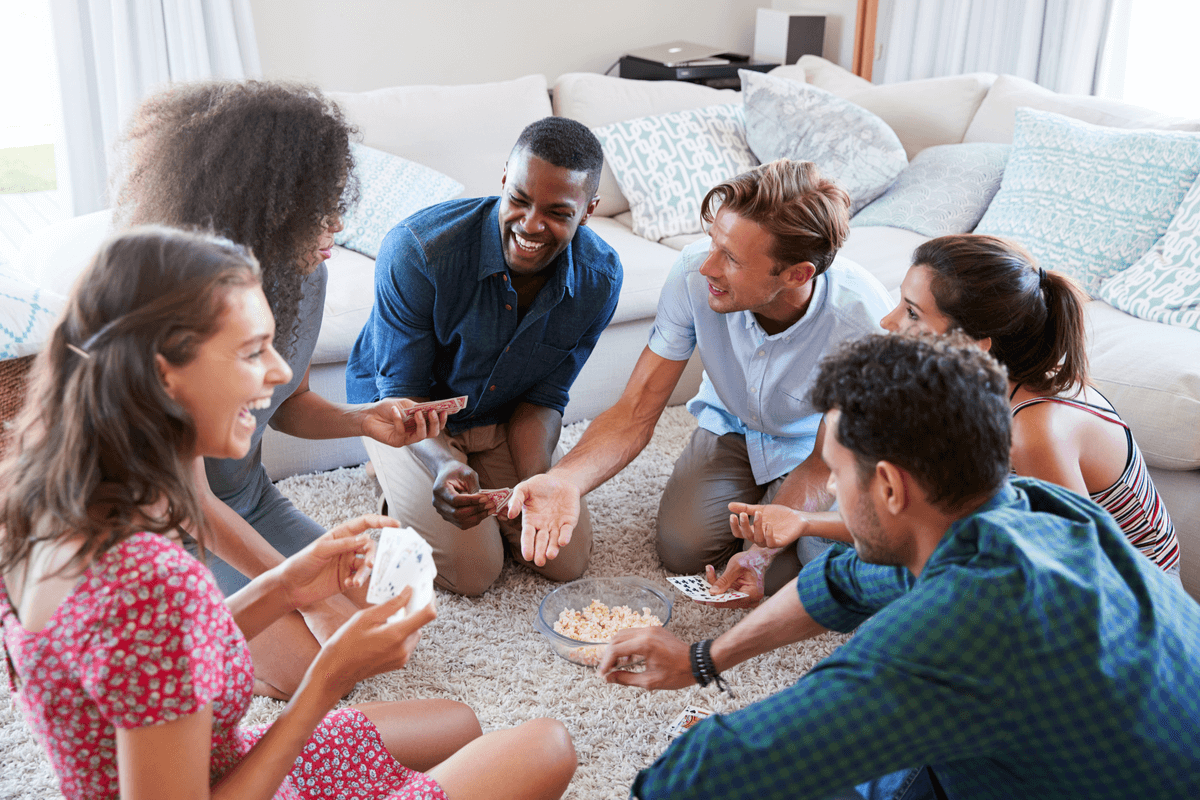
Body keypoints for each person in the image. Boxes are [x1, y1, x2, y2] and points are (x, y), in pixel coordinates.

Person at [0, 227, 577, 800]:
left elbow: (157, 656)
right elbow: (159, 629)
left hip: (213, 761)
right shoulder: (150, 580)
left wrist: (289, 584)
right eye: (253, 351)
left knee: (457, 723)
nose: (279, 374)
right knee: (547, 746)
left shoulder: (44, 503)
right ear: (164, 373)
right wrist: (327, 682)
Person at [598, 333, 1200, 800]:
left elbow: (711, 769)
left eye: (835, 473)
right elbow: (841, 581)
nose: (829, 489)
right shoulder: (1038, 509)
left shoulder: (952, 634)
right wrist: (702, 659)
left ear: (888, 486)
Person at [112, 80, 449, 698]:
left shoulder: (303, 275)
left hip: (250, 500)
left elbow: (286, 401)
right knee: (313, 668)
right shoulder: (174, 317)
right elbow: (188, 501)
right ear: (261, 209)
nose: (337, 223)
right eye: (316, 207)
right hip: (174, 528)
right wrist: (303, 592)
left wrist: (364, 419)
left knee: (393, 604)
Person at [509, 160, 892, 595]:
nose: (707, 266)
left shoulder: (863, 323)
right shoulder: (694, 272)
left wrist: (759, 554)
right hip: (730, 425)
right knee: (682, 549)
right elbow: (635, 410)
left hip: (811, 449)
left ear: (796, 274)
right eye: (714, 242)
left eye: (731, 257)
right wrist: (565, 480)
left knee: (813, 564)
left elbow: (823, 462)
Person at [731, 234, 1181, 584]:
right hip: (1023, 550)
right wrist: (797, 526)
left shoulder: (1036, 430)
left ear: (971, 344)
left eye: (911, 312)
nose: (888, 322)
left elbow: (1074, 569)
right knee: (834, 556)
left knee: (868, 574)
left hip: (1123, 597)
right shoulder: (965, 385)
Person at [345, 116, 622, 596]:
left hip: (502, 411)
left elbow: (545, 396)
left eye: (557, 212)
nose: (531, 225)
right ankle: (393, 482)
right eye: (518, 199)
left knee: (564, 560)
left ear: (589, 210)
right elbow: (402, 396)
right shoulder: (418, 251)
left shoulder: (599, 279)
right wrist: (444, 464)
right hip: (406, 414)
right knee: (475, 573)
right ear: (503, 181)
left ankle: (449, 491)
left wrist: (541, 482)